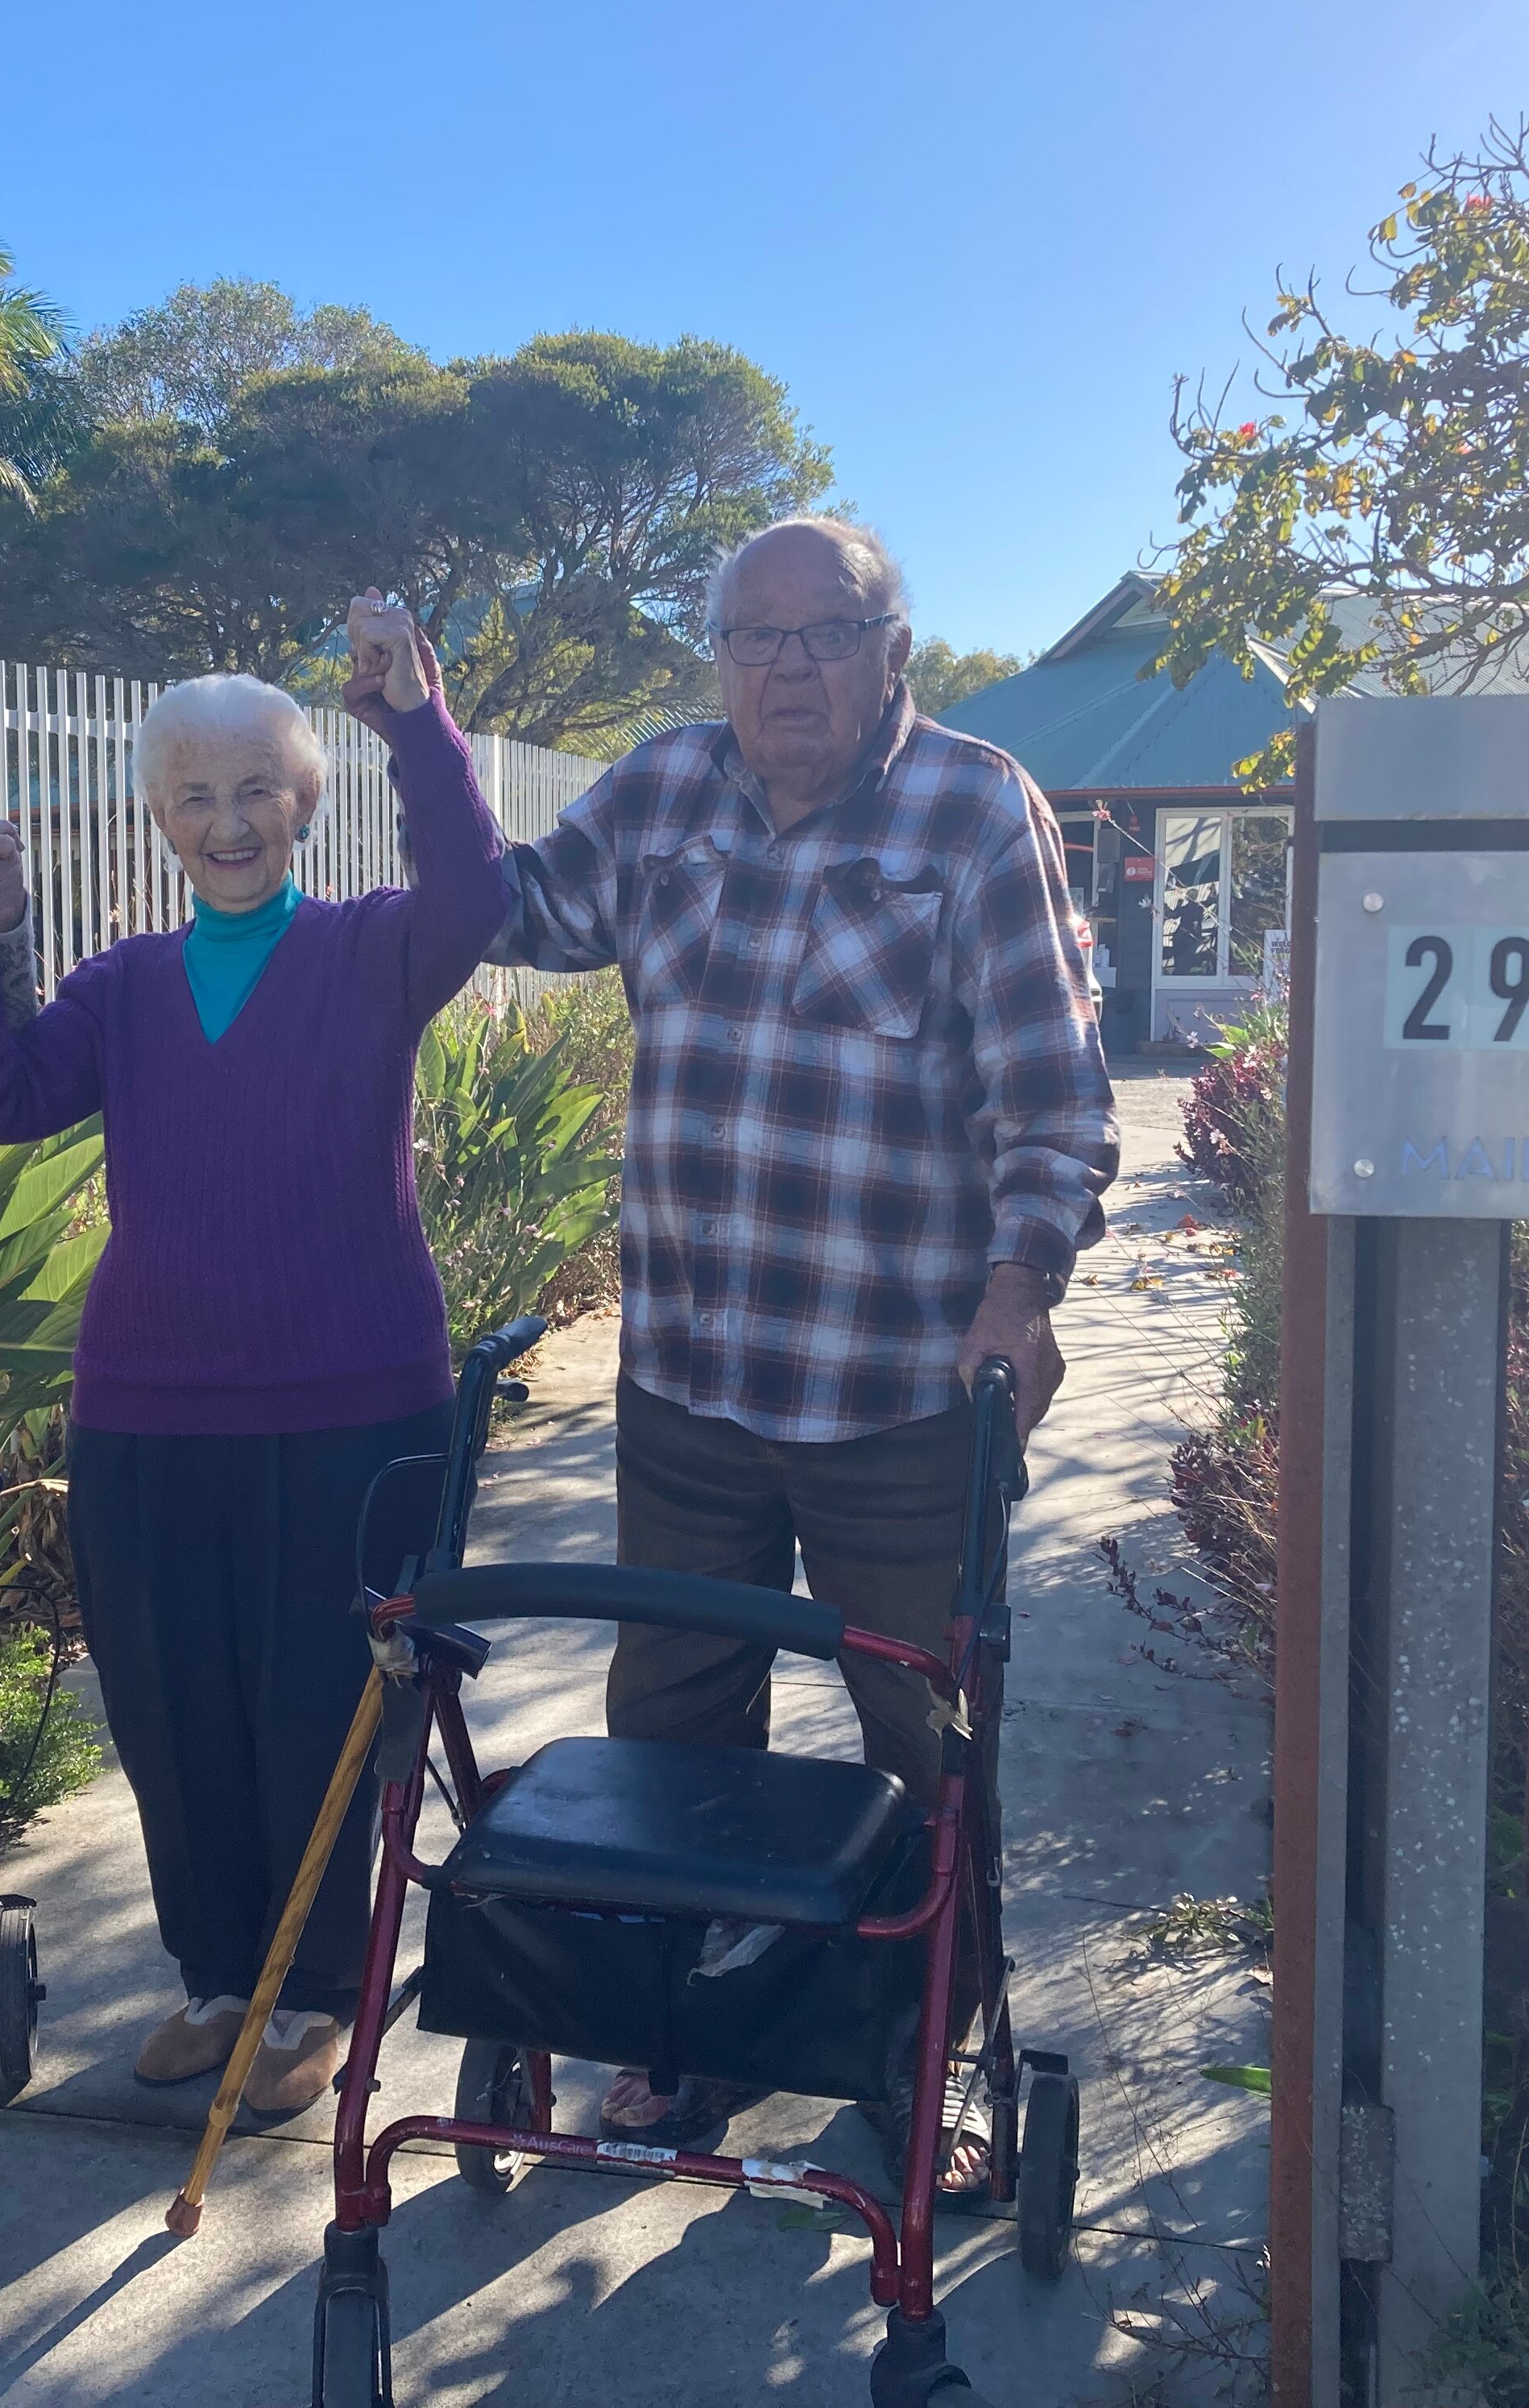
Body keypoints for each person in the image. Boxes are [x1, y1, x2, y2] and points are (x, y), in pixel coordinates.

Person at [485, 516, 1118, 2175]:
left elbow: (1054, 1097)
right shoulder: (659, 794)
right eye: (753, 638)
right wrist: (412, 734)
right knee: (675, 1727)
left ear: (891, 647)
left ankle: (931, 2043)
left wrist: (1021, 1286)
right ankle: (686, 2028)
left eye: (823, 632)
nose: (786, 670)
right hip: (689, 1372)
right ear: (719, 659)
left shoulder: (977, 811)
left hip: (903, 1397)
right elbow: (511, 909)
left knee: (928, 1739)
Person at [0, 594, 504, 2119]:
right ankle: (217, 1976)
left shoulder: (374, 951)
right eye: (196, 795)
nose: (229, 819)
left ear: (305, 803)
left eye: (258, 789)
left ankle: (315, 1999)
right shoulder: (122, 987)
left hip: (356, 1405)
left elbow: (476, 895)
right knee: (175, 1704)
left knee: (321, 1699)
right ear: (161, 817)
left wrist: (415, 727)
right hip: (151, 1413)